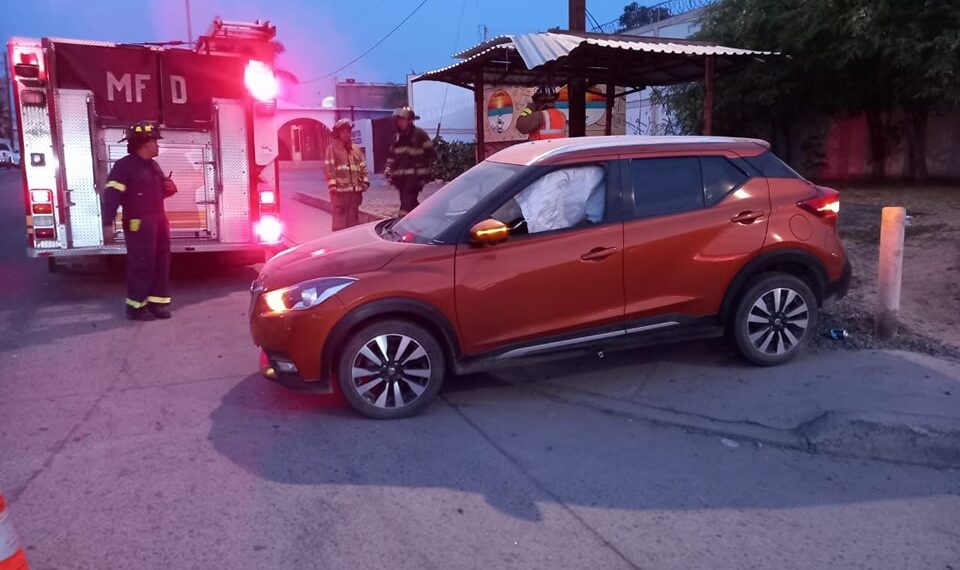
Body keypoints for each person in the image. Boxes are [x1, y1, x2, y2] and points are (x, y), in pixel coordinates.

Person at [101, 121, 177, 321]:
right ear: (145, 143)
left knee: (161, 263)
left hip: (159, 221)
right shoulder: (124, 166)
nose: (158, 145)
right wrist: (108, 223)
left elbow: (159, 192)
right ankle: (135, 307)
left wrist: (169, 188)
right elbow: (112, 195)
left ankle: (158, 304)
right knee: (141, 264)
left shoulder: (153, 165)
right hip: (138, 224)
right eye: (155, 141)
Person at [384, 106, 435, 216]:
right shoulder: (397, 137)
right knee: (410, 204)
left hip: (414, 179)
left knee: (405, 207)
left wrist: (424, 174)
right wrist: (389, 169)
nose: (399, 122)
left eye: (402, 120)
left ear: (410, 121)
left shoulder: (420, 135)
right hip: (400, 180)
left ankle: (399, 225)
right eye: (399, 120)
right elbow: (392, 156)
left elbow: (431, 154)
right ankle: (426, 218)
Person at [324, 118, 370, 231]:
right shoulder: (332, 149)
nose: (347, 134)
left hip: (355, 192)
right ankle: (340, 245)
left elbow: (362, 166)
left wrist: (365, 182)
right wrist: (333, 186)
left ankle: (351, 244)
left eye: (348, 131)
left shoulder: (355, 149)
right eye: (343, 131)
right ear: (337, 133)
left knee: (353, 223)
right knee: (340, 223)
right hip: (340, 193)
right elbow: (330, 169)